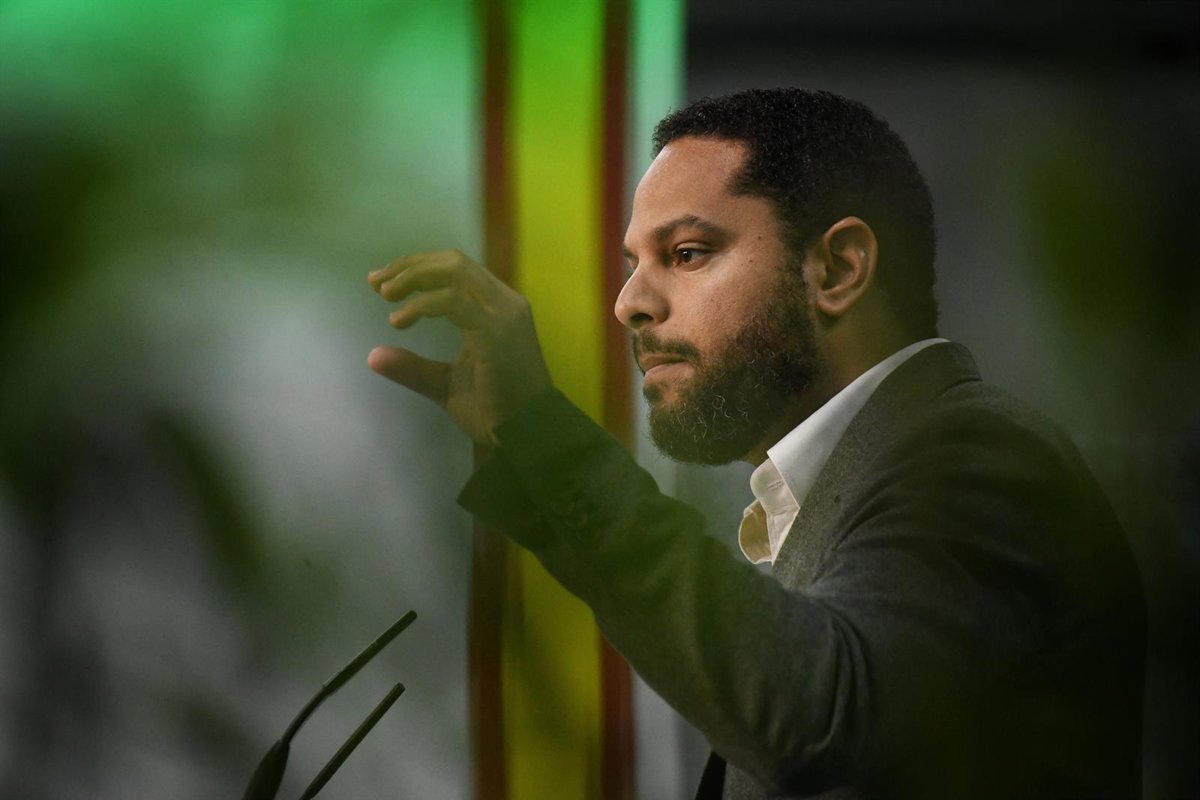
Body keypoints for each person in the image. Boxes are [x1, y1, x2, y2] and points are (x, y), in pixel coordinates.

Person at [366, 89, 1145, 799]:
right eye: (633, 265)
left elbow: (815, 717)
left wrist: (547, 433)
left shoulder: (977, 457)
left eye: (686, 254)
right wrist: (524, 445)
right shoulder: (863, 481)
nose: (629, 302)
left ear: (837, 268)